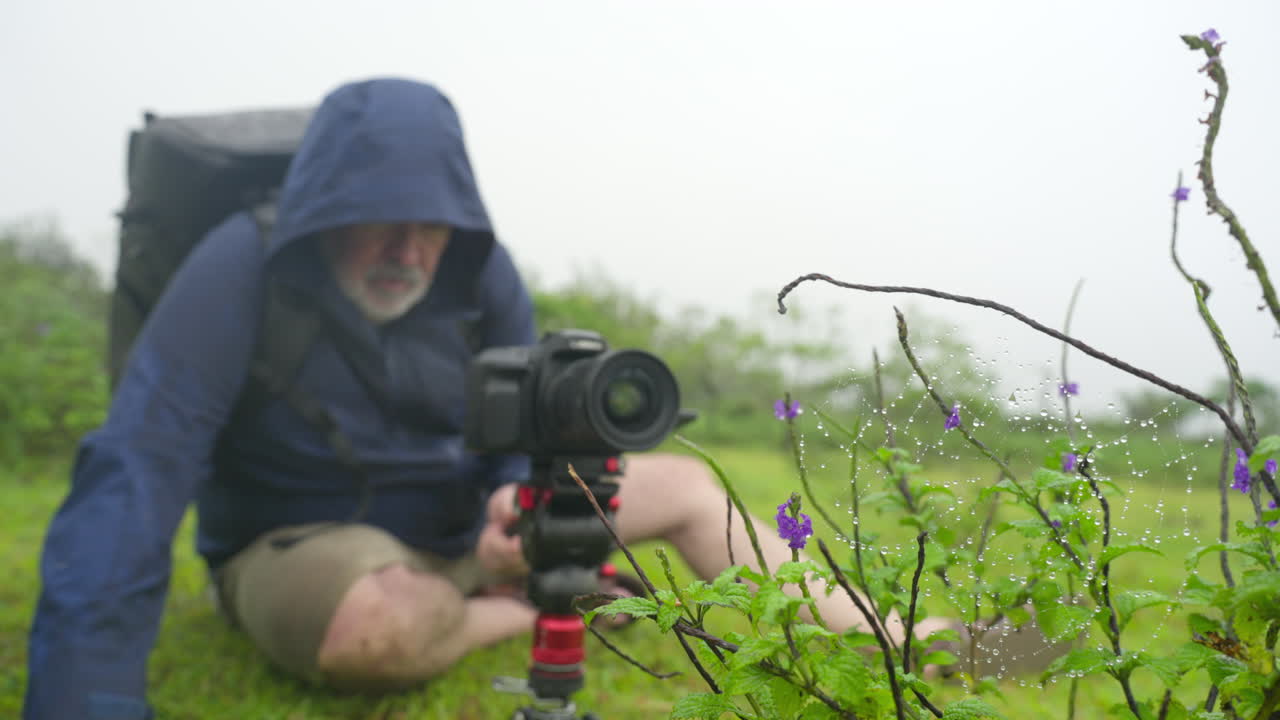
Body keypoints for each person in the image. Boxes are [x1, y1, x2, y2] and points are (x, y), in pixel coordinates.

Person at [26, 77, 954, 720]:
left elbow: (534, 413)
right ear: (322, 216)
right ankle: (535, 606)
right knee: (377, 626)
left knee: (683, 486)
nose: (409, 251)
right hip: (309, 548)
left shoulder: (478, 269)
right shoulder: (242, 263)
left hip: (466, 528)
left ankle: (908, 640)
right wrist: (84, 700)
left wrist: (515, 489)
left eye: (430, 224)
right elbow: (138, 468)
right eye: (379, 222)